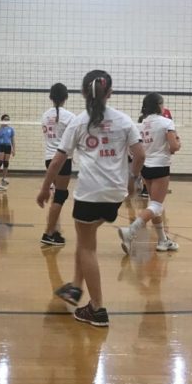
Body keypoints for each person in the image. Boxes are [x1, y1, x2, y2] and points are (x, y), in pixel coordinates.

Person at [37, 70, 144, 328]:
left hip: (90, 193)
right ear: (110, 93)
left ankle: (97, 308)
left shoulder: (79, 122)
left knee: (87, 246)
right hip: (116, 193)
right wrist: (133, 179)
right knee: (86, 237)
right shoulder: (123, 120)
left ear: (84, 93)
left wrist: (44, 188)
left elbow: (58, 160)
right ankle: (74, 286)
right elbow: (139, 154)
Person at [118, 93, 181, 254]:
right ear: (159, 105)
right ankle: (131, 231)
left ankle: (162, 240)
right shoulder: (166, 122)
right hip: (160, 166)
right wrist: (178, 142)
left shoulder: (141, 124)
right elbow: (174, 147)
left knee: (154, 204)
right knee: (156, 205)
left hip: (146, 167)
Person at [41, 83, 74, 246]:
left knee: (57, 196)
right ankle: (48, 233)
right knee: (61, 195)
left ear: (50, 97)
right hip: (62, 159)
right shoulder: (70, 116)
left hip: (49, 158)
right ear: (66, 97)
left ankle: (54, 230)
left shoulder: (45, 115)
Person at [0, 114, 15, 185]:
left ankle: (4, 178)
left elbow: (12, 140)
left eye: (8, 119)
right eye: (5, 119)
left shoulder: (11, 129)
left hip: (8, 146)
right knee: (0, 162)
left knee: (6, 163)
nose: (7, 120)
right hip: (1, 146)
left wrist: (13, 149)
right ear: (2, 120)